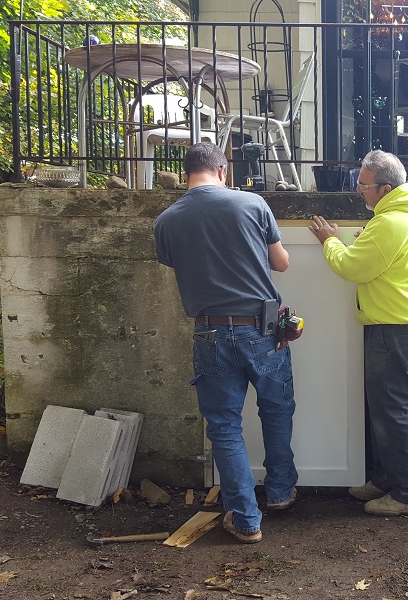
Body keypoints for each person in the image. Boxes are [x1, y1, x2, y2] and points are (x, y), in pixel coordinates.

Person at [153, 142, 298, 544]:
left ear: (185, 175)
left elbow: (176, 262)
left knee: (223, 425)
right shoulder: (252, 205)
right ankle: (282, 493)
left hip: (210, 332)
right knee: (276, 408)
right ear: (223, 170)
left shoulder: (166, 221)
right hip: (263, 330)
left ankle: (246, 520)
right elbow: (281, 262)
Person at [308, 150, 408, 517]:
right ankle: (387, 479)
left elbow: (352, 267)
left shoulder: (390, 224)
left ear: (384, 188)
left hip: (394, 332)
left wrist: (329, 241)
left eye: (362, 185)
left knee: (392, 414)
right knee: (392, 411)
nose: (358, 192)